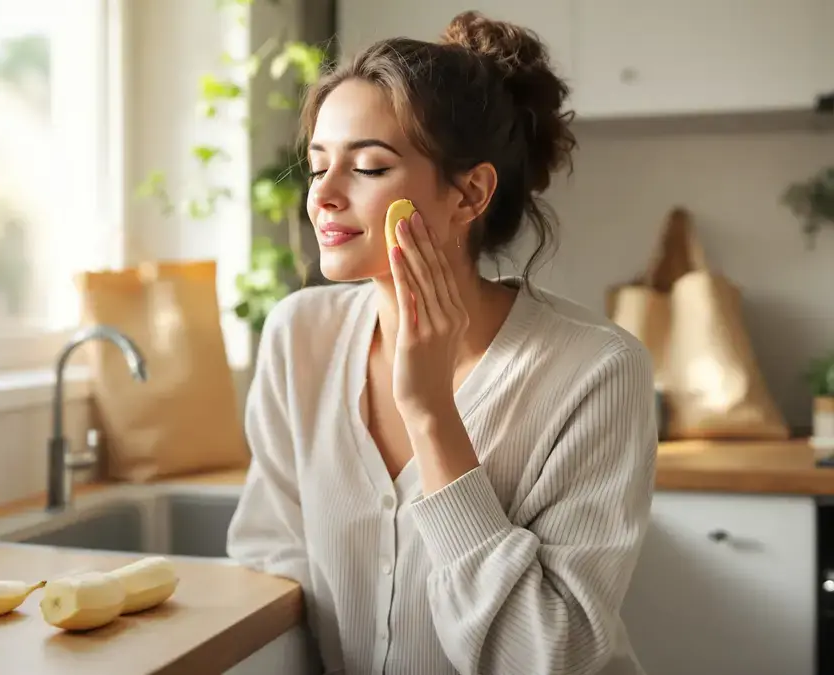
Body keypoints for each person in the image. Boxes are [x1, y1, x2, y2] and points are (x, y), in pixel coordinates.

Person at [225, 11, 657, 675]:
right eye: (317, 167)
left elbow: (551, 656)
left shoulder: (595, 369)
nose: (325, 198)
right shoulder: (298, 336)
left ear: (470, 193)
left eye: (368, 167)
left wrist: (430, 412)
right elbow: (270, 574)